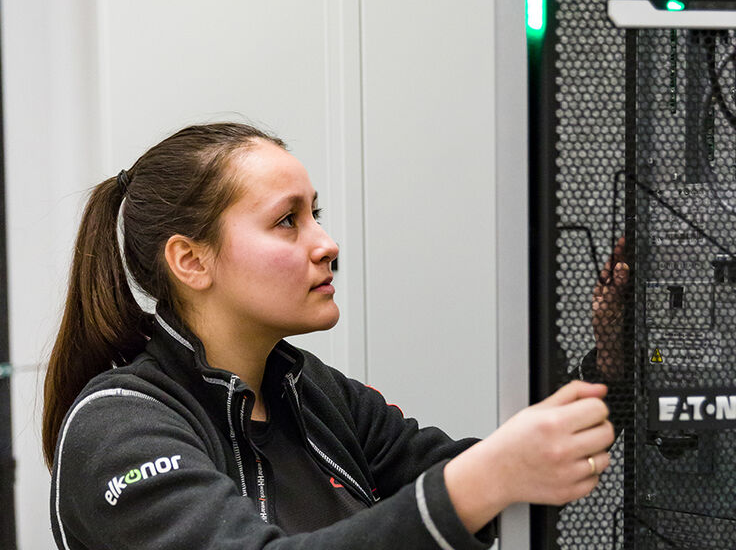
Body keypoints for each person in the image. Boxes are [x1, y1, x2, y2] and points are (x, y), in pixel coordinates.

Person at [43, 122, 616, 549]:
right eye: (287, 220)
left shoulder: (310, 391)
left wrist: (609, 366)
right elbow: (473, 484)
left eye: (316, 214)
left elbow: (492, 480)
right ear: (190, 261)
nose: (326, 244)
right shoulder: (117, 429)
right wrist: (484, 479)